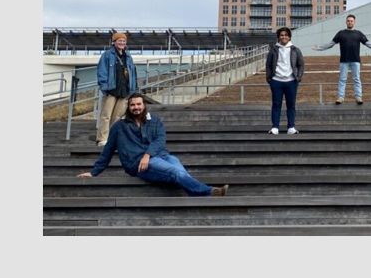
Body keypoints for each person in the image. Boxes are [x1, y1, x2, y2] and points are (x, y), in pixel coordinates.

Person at [77, 93, 228, 197]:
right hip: (137, 163)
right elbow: (108, 151)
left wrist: (147, 155)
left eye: (139, 104)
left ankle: (197, 193)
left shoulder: (155, 121)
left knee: (180, 172)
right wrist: (94, 172)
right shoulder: (119, 127)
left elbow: (160, 140)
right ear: (128, 107)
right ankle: (210, 192)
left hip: (160, 156)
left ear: (144, 105)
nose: (136, 107)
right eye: (132, 105)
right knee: (175, 172)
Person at [312, 14, 371, 104]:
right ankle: (340, 97)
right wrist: (319, 48)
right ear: (346, 22)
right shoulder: (341, 33)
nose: (350, 22)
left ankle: (358, 97)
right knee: (342, 79)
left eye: (351, 21)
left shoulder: (359, 34)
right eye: (348, 21)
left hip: (355, 61)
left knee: (356, 79)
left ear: (354, 22)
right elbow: (330, 44)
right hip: (344, 61)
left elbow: (368, 44)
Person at [95, 32, 138, 147]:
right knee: (106, 115)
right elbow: (102, 71)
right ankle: (102, 138)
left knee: (117, 117)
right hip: (111, 89)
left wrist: (133, 88)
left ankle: (112, 138)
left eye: (124, 41)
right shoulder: (107, 55)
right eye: (119, 40)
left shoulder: (128, 56)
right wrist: (104, 86)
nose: (122, 43)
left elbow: (133, 72)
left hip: (124, 90)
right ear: (114, 42)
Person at [264, 26, 305, 135]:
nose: (284, 37)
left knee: (291, 105)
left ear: (289, 37)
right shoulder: (273, 50)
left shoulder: (295, 50)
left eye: (286, 35)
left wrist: (298, 77)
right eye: (281, 35)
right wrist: (269, 78)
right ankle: (275, 127)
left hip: (291, 81)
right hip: (276, 81)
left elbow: (301, 65)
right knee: (276, 104)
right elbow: (268, 65)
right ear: (278, 37)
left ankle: (291, 127)